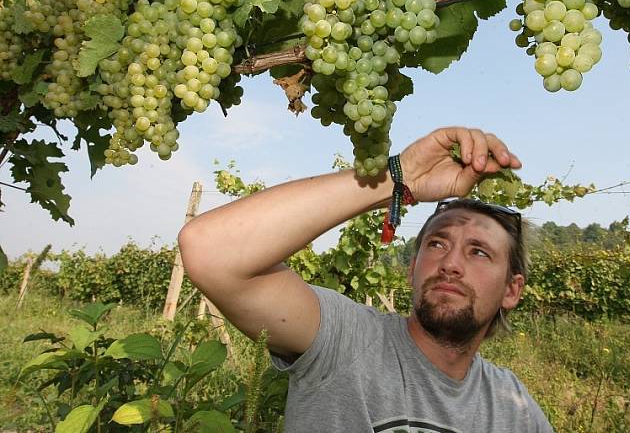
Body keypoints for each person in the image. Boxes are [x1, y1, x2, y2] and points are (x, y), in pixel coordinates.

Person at [179, 127, 553, 432]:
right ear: (412, 269)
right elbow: (209, 250)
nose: (451, 263)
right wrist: (396, 178)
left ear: (511, 290)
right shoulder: (344, 342)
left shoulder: (514, 410)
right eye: (437, 244)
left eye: (478, 252)